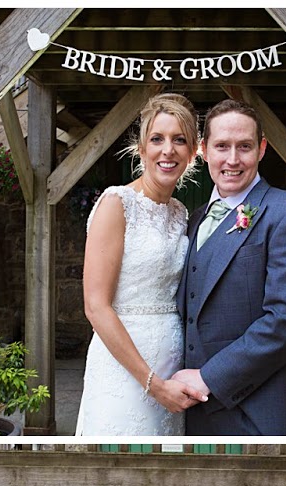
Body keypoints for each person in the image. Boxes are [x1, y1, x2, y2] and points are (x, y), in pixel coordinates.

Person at [176, 99, 286, 434]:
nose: (232, 159)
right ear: (203, 150)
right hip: (195, 413)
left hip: (261, 413)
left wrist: (207, 378)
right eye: (222, 146)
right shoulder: (194, 220)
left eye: (244, 146)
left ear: (262, 149)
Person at [75, 92, 207, 436]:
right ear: (142, 148)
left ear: (193, 152)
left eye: (180, 140)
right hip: (126, 371)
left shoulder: (179, 213)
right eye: (157, 139)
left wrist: (168, 383)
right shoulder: (116, 204)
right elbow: (96, 307)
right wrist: (153, 384)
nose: (168, 150)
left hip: (172, 369)